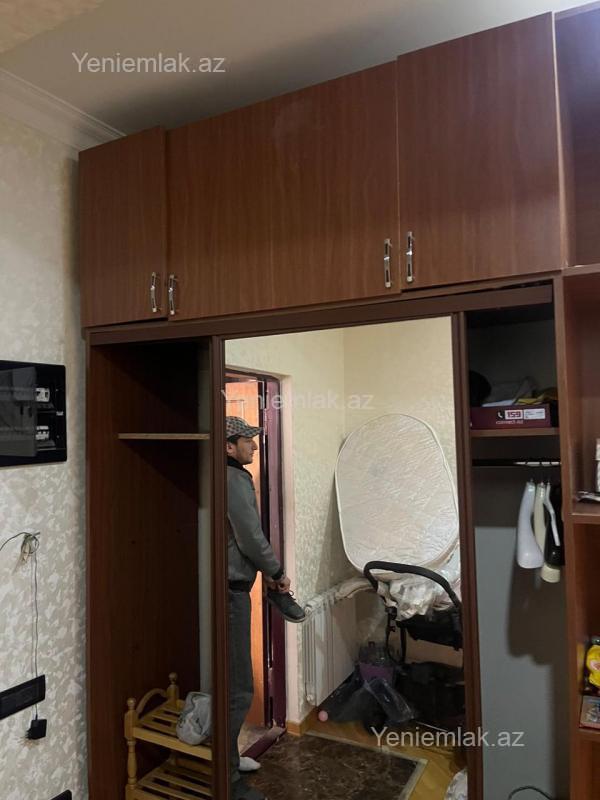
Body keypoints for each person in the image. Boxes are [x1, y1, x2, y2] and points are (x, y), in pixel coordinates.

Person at [226, 416, 305, 800]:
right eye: (248, 440)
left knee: (233, 681)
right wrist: (276, 572)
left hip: (233, 587)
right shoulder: (232, 479)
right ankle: (227, 780)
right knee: (239, 686)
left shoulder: (228, 475)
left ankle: (228, 757)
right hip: (230, 594)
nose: (255, 446)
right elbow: (250, 536)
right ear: (229, 446)